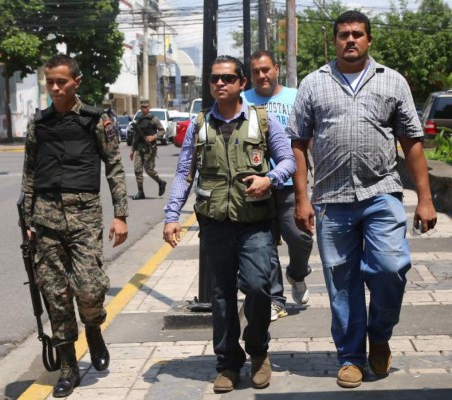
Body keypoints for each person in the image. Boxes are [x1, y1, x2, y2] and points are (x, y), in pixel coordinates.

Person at [287, 10, 437, 389]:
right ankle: (352, 356)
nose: (350, 40)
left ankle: (381, 335)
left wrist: (425, 199)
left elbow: (412, 142)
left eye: (357, 34)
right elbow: (299, 144)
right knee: (342, 282)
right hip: (332, 200)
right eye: (343, 35)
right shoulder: (313, 84)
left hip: (381, 193)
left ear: (369, 40)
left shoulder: (392, 81)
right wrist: (301, 199)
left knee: (390, 268)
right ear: (334, 40)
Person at [163, 55, 295, 393]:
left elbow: (288, 161)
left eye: (227, 78)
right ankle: (227, 363)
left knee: (257, 287)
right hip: (215, 223)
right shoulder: (199, 124)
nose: (220, 84)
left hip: (254, 222)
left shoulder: (262, 120)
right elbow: (184, 174)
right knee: (221, 296)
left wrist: (270, 180)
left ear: (242, 84)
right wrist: (172, 216)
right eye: (214, 79)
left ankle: (258, 351)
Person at [20, 54, 129, 398]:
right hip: (45, 220)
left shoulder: (97, 121)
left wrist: (121, 215)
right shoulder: (38, 123)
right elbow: (29, 174)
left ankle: (94, 327)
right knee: (55, 295)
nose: (54, 88)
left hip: (84, 218)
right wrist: (27, 221)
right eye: (50, 81)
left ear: (76, 82)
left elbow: (114, 167)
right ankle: (68, 365)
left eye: (61, 82)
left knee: (91, 288)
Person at [242, 50, 313, 321]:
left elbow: (308, 141)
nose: (262, 75)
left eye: (266, 69)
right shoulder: (244, 100)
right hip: (256, 185)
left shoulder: (295, 97)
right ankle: (275, 299)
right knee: (265, 244)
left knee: (301, 235)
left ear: (277, 69)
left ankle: (297, 273)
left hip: (291, 182)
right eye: (256, 71)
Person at [129, 99, 167, 199]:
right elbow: (136, 136)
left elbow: (162, 131)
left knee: (149, 169)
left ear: (149, 108)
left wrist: (154, 137)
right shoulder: (139, 120)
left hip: (150, 149)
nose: (144, 109)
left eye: (146, 107)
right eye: (142, 107)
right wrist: (132, 150)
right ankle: (140, 192)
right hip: (139, 148)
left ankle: (161, 182)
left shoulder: (154, 119)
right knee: (137, 170)